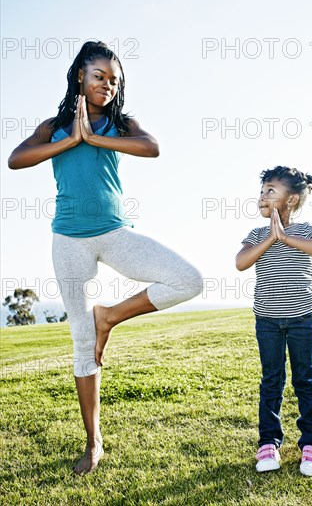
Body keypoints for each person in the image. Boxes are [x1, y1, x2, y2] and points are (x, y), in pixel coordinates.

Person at [8, 40, 203, 475]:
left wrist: (94, 137)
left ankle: (109, 316)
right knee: (82, 347)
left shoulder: (121, 122)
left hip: (116, 234)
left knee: (188, 280)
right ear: (80, 75)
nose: (107, 85)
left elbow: (152, 147)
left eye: (114, 80)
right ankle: (93, 443)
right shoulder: (54, 124)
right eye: (99, 76)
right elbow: (16, 160)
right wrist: (71, 139)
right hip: (69, 241)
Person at [235, 166, 312, 477]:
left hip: (302, 319)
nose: (262, 196)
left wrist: (285, 237)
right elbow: (241, 262)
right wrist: (271, 238)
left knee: (305, 380)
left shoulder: (305, 231)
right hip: (268, 322)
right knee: (271, 381)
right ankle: (268, 443)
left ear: (291, 199)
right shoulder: (257, 234)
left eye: (270, 191)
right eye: (261, 191)